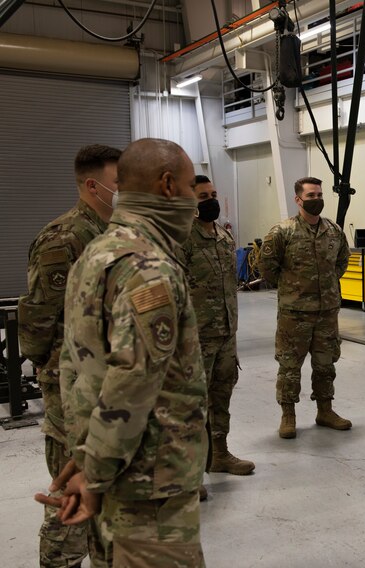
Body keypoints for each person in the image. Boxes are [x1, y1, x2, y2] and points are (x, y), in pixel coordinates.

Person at [44, 138, 208, 567]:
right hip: (149, 485)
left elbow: (74, 369)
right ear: (168, 186)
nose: (196, 201)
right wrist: (94, 474)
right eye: (193, 188)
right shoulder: (147, 268)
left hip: (115, 472)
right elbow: (130, 385)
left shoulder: (98, 253)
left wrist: (86, 461)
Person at [18, 144, 121, 568]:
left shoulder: (117, 234)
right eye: (120, 184)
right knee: (71, 484)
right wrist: (51, 368)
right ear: (92, 185)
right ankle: (59, 561)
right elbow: (38, 321)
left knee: (110, 486)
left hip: (112, 381)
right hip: (72, 384)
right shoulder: (65, 238)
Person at [259, 176, 352, 439]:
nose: (317, 199)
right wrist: (293, 287)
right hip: (294, 313)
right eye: (311, 196)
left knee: (325, 364)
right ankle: (288, 416)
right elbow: (267, 267)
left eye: (319, 194)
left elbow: (342, 261)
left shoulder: (333, 230)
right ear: (298, 199)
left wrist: (328, 284)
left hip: (327, 312)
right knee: (289, 366)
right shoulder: (282, 232)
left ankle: (325, 410)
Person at [182, 175, 255, 480]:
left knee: (222, 395)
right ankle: (191, 471)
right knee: (191, 403)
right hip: (196, 336)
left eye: (213, 193)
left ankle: (220, 454)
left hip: (226, 333)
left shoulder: (224, 238)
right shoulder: (181, 239)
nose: (210, 200)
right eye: (203, 196)